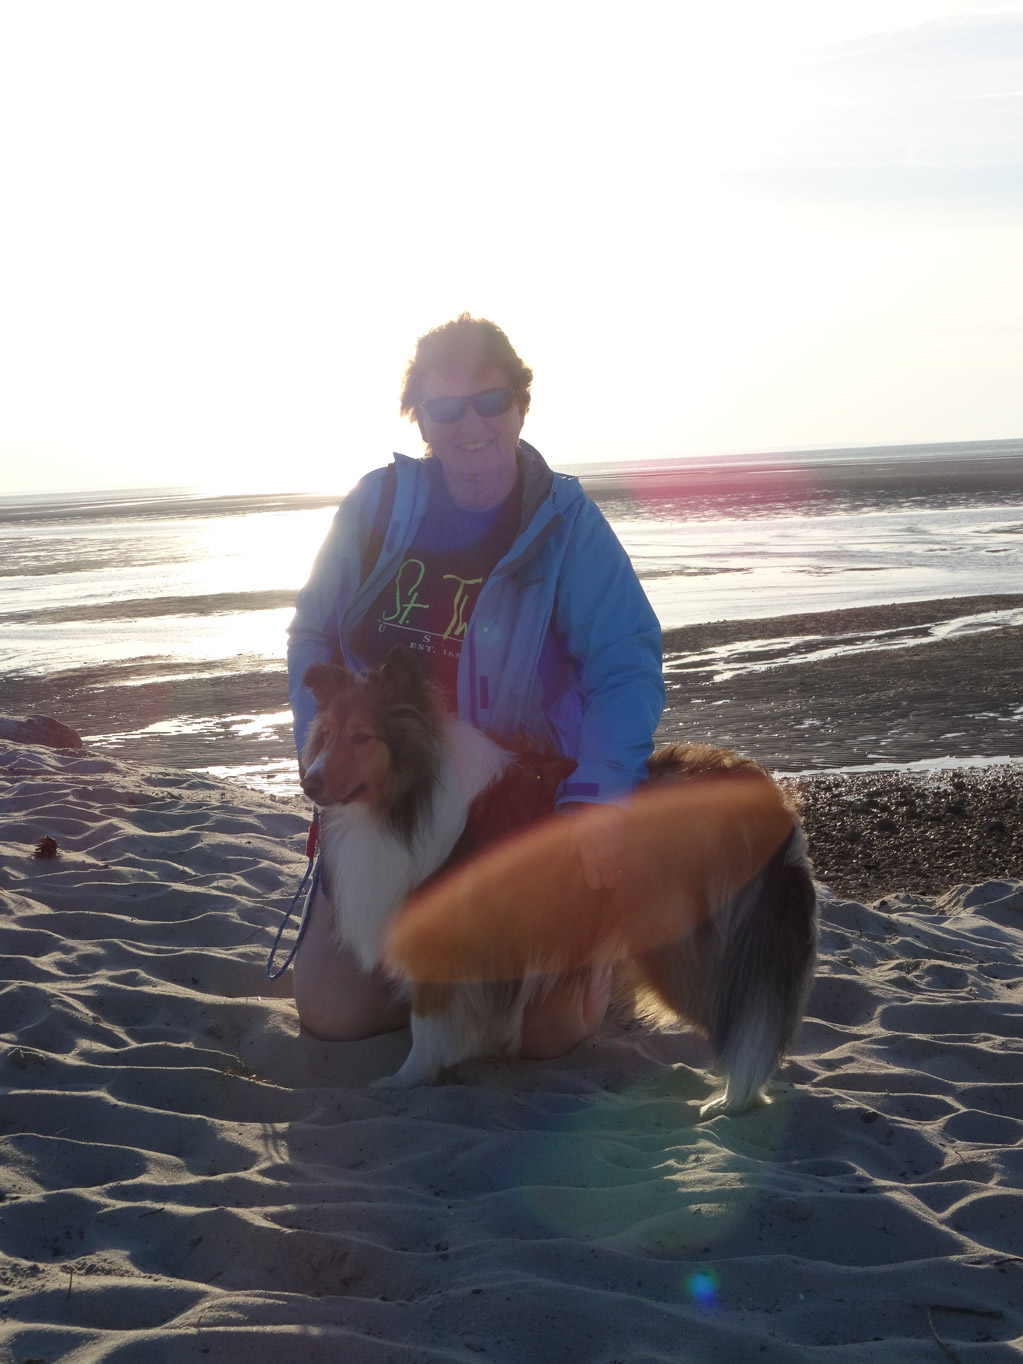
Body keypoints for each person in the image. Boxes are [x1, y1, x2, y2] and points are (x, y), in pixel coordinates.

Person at [286, 314, 664, 1055]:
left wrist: (599, 795)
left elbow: (623, 662)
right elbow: (312, 634)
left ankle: (580, 959)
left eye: (490, 401)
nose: (471, 424)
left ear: (520, 405)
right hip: (391, 794)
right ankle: (448, 976)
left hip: (506, 798)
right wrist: (325, 747)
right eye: (446, 407)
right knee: (333, 1012)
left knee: (544, 1031)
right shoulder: (376, 505)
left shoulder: (564, 523)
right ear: (420, 419)